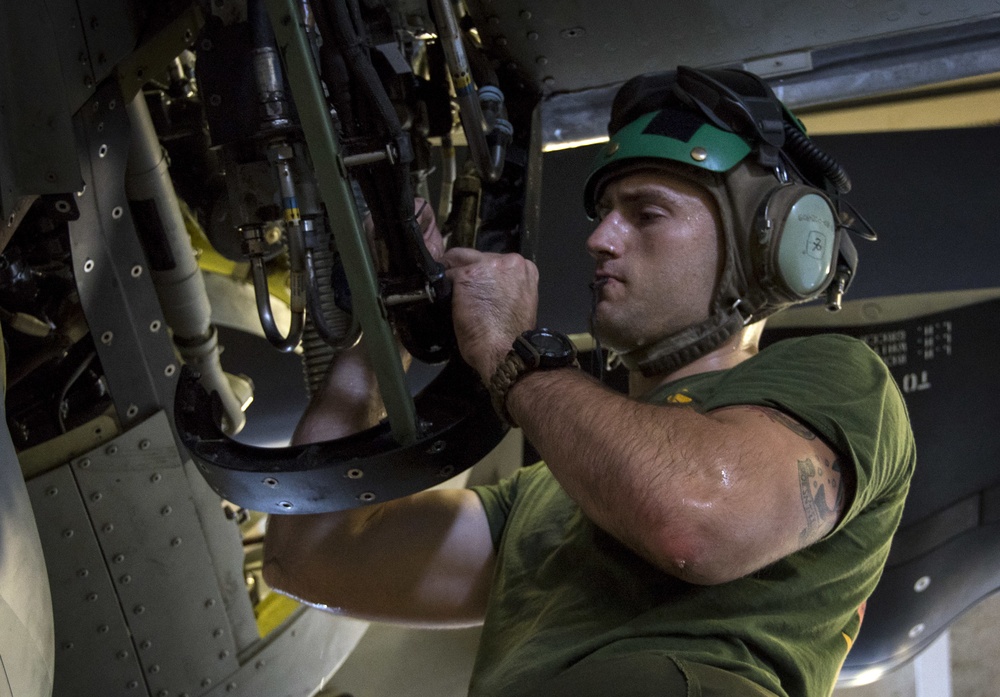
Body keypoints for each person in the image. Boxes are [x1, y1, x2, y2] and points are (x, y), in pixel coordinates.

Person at [263, 67, 915, 697]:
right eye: (603, 213)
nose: (600, 238)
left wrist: (505, 352)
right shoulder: (545, 498)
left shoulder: (843, 380)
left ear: (769, 242)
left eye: (647, 212)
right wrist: (387, 325)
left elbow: (692, 522)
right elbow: (309, 553)